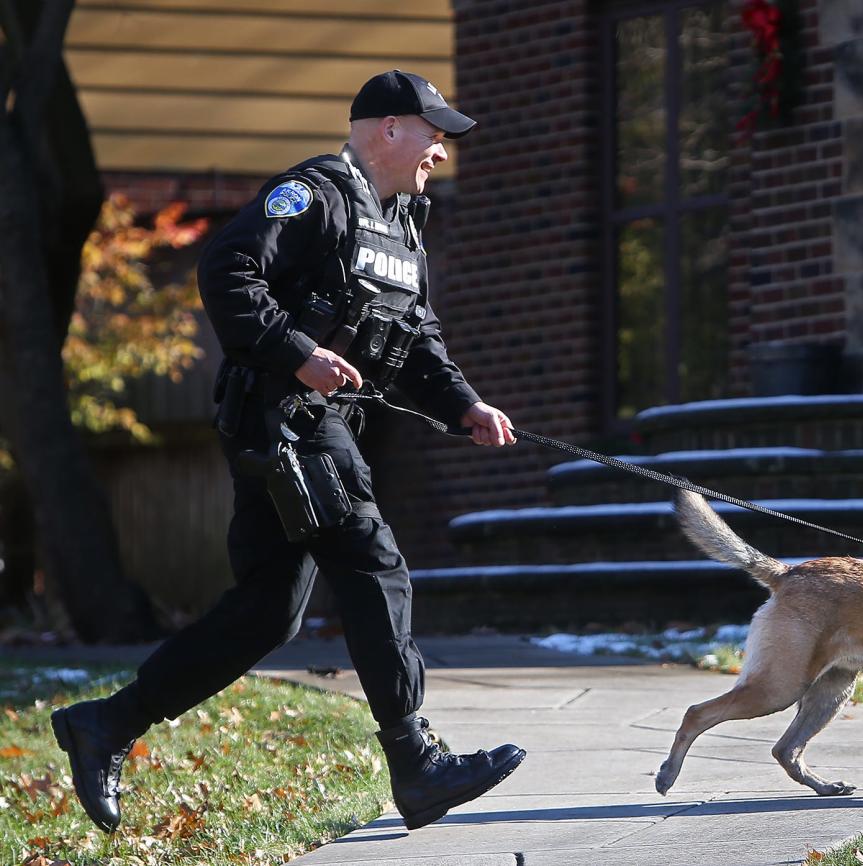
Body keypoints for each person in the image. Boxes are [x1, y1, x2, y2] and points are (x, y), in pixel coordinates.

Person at [51, 70, 525, 835]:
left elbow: (419, 338)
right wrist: (298, 351)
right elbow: (225, 270)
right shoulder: (312, 195)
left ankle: (104, 724)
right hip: (282, 419)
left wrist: (462, 404)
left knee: (267, 614)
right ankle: (415, 761)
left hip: (311, 422)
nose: (442, 146)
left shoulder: (403, 224)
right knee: (374, 561)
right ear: (388, 129)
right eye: (433, 129)